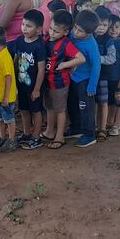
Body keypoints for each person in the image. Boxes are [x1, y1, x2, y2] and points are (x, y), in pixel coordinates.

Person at [42, 10, 85, 148]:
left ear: (65, 32)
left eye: (56, 31)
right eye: (51, 28)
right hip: (47, 81)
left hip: (60, 83)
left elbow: (81, 58)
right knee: (49, 107)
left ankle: (59, 136)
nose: (52, 33)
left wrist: (64, 65)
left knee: (60, 109)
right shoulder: (47, 39)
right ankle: (49, 131)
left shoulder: (66, 44)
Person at [7, 10, 46, 150]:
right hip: (21, 83)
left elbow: (41, 69)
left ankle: (36, 137)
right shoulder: (19, 41)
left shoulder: (40, 46)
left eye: (29, 26)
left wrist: (37, 89)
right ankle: (26, 133)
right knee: (23, 109)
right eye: (23, 24)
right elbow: (16, 60)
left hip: (34, 86)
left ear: (39, 29)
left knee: (36, 111)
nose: (24, 28)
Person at [66, 10, 100, 148]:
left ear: (89, 33)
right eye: (75, 28)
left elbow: (96, 66)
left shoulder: (91, 45)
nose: (75, 32)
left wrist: (92, 86)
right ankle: (76, 127)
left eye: (80, 31)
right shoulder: (72, 36)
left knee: (85, 108)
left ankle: (89, 134)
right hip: (73, 78)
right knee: (72, 104)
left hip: (85, 80)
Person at [105, 15, 120, 136]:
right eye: (110, 27)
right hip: (106, 79)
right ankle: (109, 122)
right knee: (109, 102)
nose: (113, 30)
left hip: (118, 79)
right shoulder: (104, 41)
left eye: (116, 27)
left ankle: (117, 125)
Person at [93, 7, 115, 140]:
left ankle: (102, 128)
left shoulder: (108, 40)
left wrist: (98, 59)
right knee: (93, 102)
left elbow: (112, 58)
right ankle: (94, 126)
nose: (101, 27)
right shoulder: (89, 37)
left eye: (104, 25)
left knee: (103, 102)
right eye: (99, 24)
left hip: (103, 76)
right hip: (90, 76)